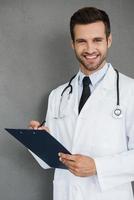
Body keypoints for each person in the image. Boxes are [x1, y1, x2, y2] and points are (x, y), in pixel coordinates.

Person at [29, 7, 134, 200]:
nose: (90, 49)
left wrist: (97, 167)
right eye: (82, 41)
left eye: (97, 40)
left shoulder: (130, 91)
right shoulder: (58, 95)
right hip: (66, 194)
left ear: (109, 41)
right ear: (72, 44)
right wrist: (41, 142)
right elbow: (50, 161)